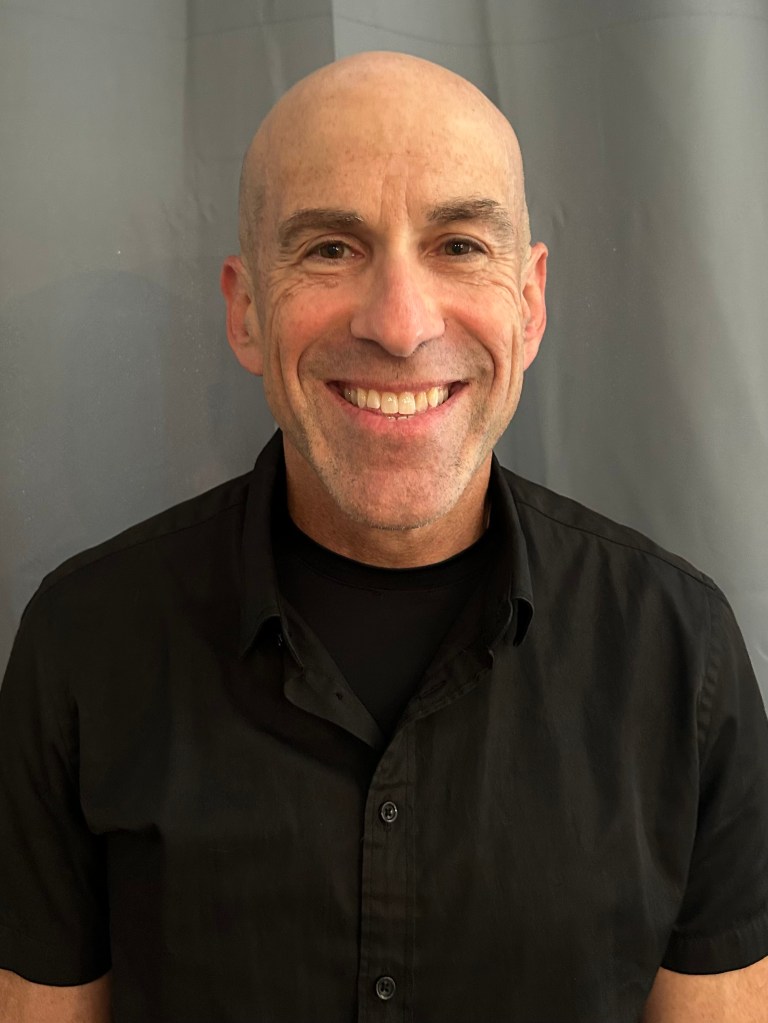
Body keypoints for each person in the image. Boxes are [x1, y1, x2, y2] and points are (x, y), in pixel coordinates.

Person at [1, 50, 767, 1023]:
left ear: (530, 303)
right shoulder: (84, 644)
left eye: (459, 245)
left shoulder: (681, 655)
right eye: (331, 248)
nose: (400, 326)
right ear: (246, 310)